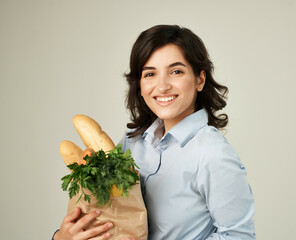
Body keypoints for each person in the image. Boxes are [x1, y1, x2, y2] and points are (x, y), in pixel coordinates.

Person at [54, 25, 255, 240]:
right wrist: (63, 237)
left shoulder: (213, 155)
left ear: (200, 79)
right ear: (139, 86)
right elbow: (110, 214)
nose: (162, 86)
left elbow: (239, 237)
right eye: (150, 74)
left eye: (176, 71)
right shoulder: (133, 142)